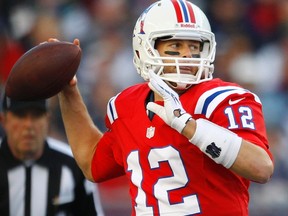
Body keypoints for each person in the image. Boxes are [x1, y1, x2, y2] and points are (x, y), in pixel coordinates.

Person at [55, 0, 274, 215]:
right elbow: (92, 162)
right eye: (175, 46)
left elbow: (261, 167)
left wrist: (189, 126)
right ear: (145, 50)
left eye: (194, 46)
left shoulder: (220, 99)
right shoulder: (127, 105)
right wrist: (68, 92)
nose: (188, 55)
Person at [0, 96, 104, 216]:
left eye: (36, 115)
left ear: (47, 119)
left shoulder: (73, 164)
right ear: (4, 120)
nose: (28, 125)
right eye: (20, 115)